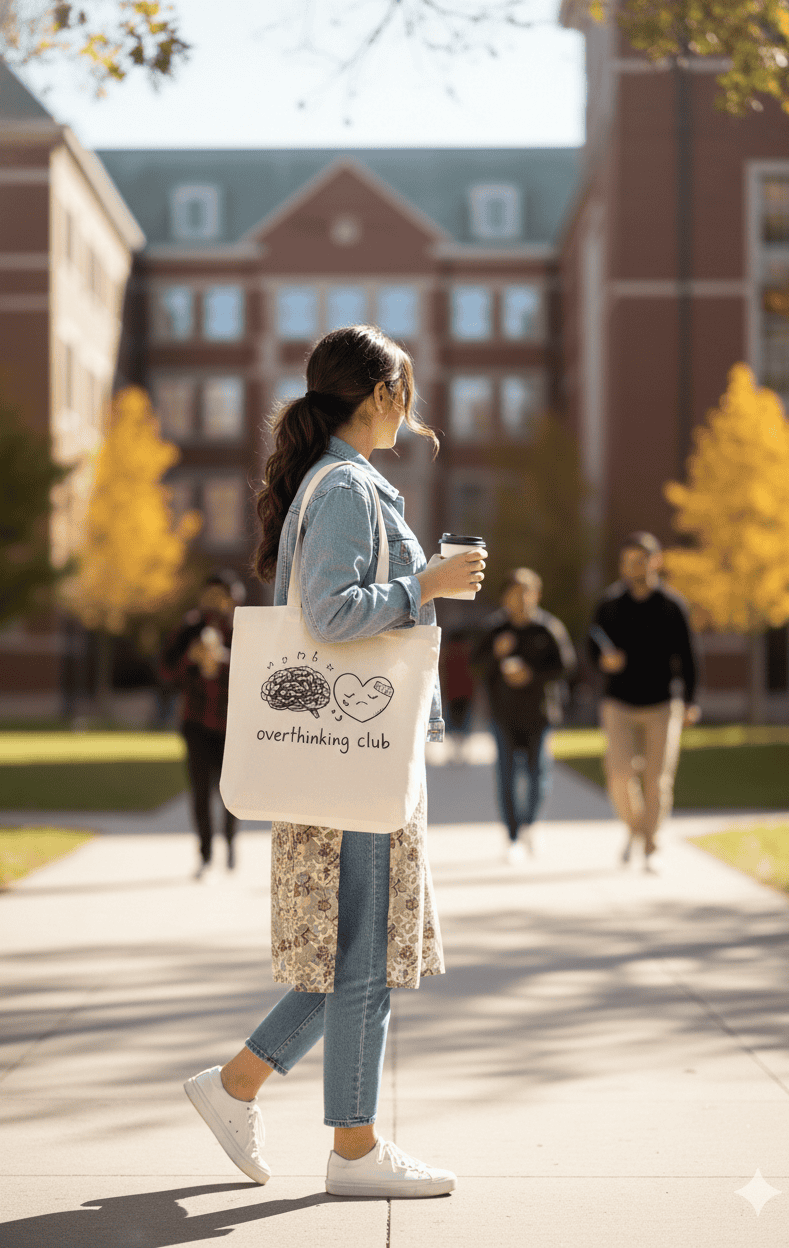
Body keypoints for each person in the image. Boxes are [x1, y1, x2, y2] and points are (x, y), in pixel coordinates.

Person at [183, 325, 486, 1199]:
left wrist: (421, 580)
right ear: (381, 392)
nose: (415, 407)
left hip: (354, 751)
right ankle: (351, 1151)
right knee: (364, 956)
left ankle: (238, 1086)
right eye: (408, 389)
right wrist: (423, 584)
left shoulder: (336, 479)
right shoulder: (349, 485)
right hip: (356, 754)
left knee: (361, 949)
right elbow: (329, 613)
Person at [587, 532, 700, 871]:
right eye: (626, 562)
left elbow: (690, 658)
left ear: (655, 562)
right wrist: (603, 661)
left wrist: (691, 700)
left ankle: (649, 846)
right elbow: (592, 645)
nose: (631, 568)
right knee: (620, 775)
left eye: (638, 560)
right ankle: (638, 830)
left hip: (663, 703)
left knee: (657, 779)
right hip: (619, 702)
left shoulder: (672, 605)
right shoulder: (609, 605)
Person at [474, 568, 576, 864]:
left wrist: (531, 674)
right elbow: (475, 665)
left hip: (540, 714)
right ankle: (513, 837)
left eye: (527, 591)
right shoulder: (494, 629)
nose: (521, 598)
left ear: (537, 595)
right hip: (503, 714)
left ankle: (532, 824)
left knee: (538, 774)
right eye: (515, 592)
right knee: (506, 776)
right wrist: (496, 654)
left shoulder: (548, 628)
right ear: (506, 596)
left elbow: (566, 667)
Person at [160, 571, 245, 879]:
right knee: (199, 793)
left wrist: (224, 659)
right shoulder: (189, 627)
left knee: (231, 792)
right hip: (195, 721)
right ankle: (206, 854)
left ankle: (232, 844)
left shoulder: (243, 628)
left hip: (232, 726)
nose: (215, 601)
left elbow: (258, 671)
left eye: (221, 594)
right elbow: (167, 670)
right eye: (210, 594)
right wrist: (190, 658)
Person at [441, 628, 475, 762]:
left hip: (451, 692)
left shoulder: (447, 652)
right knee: (465, 720)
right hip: (466, 692)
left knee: (452, 720)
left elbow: (443, 671)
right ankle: (462, 750)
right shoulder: (469, 651)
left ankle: (454, 750)